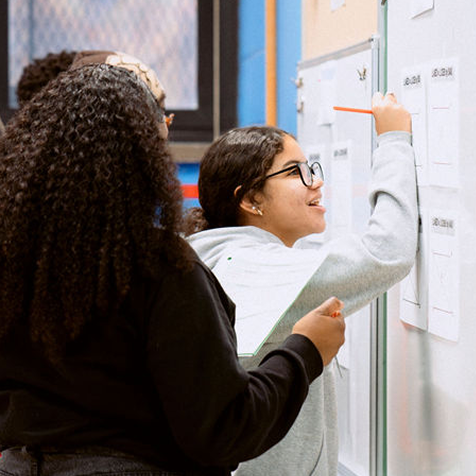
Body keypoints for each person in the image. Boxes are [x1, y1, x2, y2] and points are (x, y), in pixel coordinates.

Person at [0, 58, 346, 476]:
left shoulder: (15, 262)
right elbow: (222, 430)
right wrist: (305, 350)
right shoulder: (160, 269)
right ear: (142, 162)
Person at [185, 92, 418, 476]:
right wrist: (394, 141)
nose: (316, 183)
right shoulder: (257, 272)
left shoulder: (216, 258)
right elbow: (387, 252)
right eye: (295, 172)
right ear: (251, 200)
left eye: (311, 168)